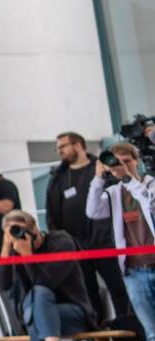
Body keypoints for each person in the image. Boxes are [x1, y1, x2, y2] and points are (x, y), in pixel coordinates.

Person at [0, 210, 95, 341]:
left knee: (38, 296)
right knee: (34, 315)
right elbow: (3, 286)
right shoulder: (15, 249)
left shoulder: (61, 242)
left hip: (74, 313)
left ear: (35, 229)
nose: (18, 235)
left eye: (20, 230)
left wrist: (28, 257)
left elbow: (45, 283)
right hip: (43, 320)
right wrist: (6, 248)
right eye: (12, 232)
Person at [47, 132, 129, 321]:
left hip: (106, 242)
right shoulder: (58, 178)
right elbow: (52, 215)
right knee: (87, 291)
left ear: (78, 145)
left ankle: (128, 327)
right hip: (76, 247)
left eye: (63, 147)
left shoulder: (100, 168)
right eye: (58, 148)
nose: (60, 152)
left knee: (117, 286)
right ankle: (99, 332)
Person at [87, 142, 155, 341]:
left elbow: (148, 201)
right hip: (134, 273)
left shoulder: (151, 184)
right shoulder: (114, 193)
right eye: (117, 163)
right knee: (153, 333)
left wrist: (127, 178)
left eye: (127, 161)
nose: (122, 166)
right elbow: (93, 211)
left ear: (137, 161)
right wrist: (98, 179)